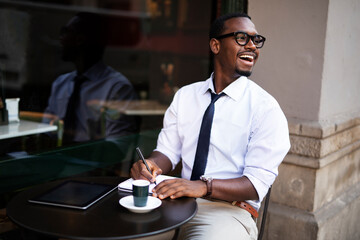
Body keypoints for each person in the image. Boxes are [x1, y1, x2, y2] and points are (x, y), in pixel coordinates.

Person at [130, 12, 290, 240]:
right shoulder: (186, 96)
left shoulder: (266, 109)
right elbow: (167, 152)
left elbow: (255, 184)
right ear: (215, 45)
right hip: (173, 203)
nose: (252, 46)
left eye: (256, 40)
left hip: (228, 212)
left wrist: (203, 187)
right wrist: (151, 164)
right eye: (242, 38)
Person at [43, 12, 139, 145]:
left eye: (65, 32)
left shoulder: (116, 88)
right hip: (55, 159)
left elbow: (117, 146)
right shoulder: (61, 84)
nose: (61, 38)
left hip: (89, 163)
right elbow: (47, 132)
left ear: (80, 40)